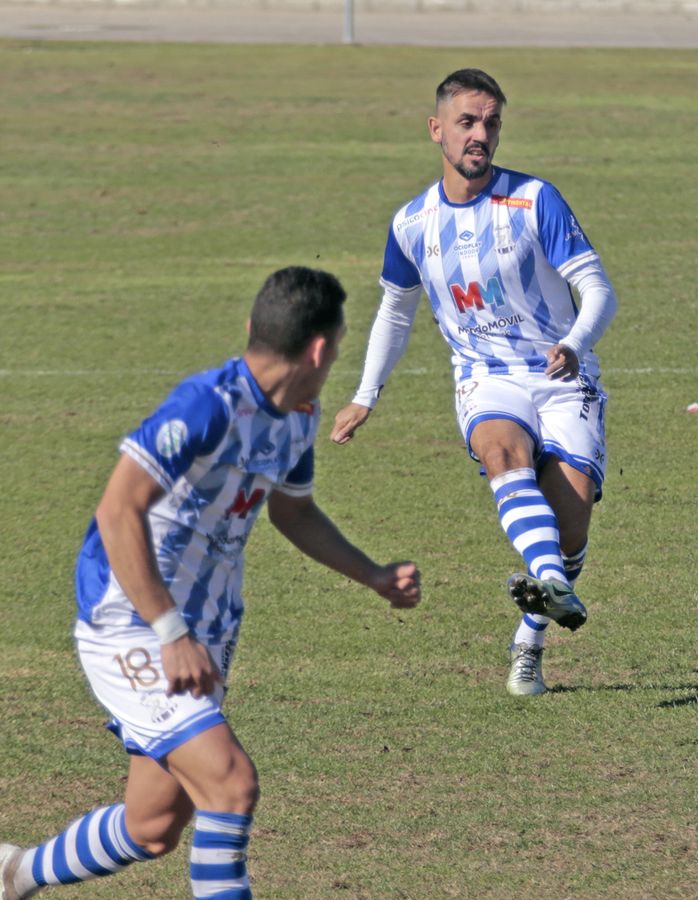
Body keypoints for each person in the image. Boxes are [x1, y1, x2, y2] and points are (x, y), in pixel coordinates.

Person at [0, 267, 422, 899]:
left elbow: (294, 510)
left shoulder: (297, 417)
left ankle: (14, 874)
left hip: (203, 634)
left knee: (152, 826)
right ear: (321, 349)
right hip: (133, 624)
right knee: (230, 785)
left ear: (257, 328)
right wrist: (170, 631)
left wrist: (371, 575)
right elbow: (118, 511)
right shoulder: (206, 406)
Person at [329, 68, 618, 698]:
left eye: (490, 122)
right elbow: (395, 312)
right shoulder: (411, 224)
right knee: (500, 452)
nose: (479, 134)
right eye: (466, 122)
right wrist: (364, 394)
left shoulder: (536, 199)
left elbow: (597, 289)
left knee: (570, 528)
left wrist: (573, 343)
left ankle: (530, 637)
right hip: (486, 379)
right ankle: (549, 577)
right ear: (437, 130)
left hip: (563, 377)